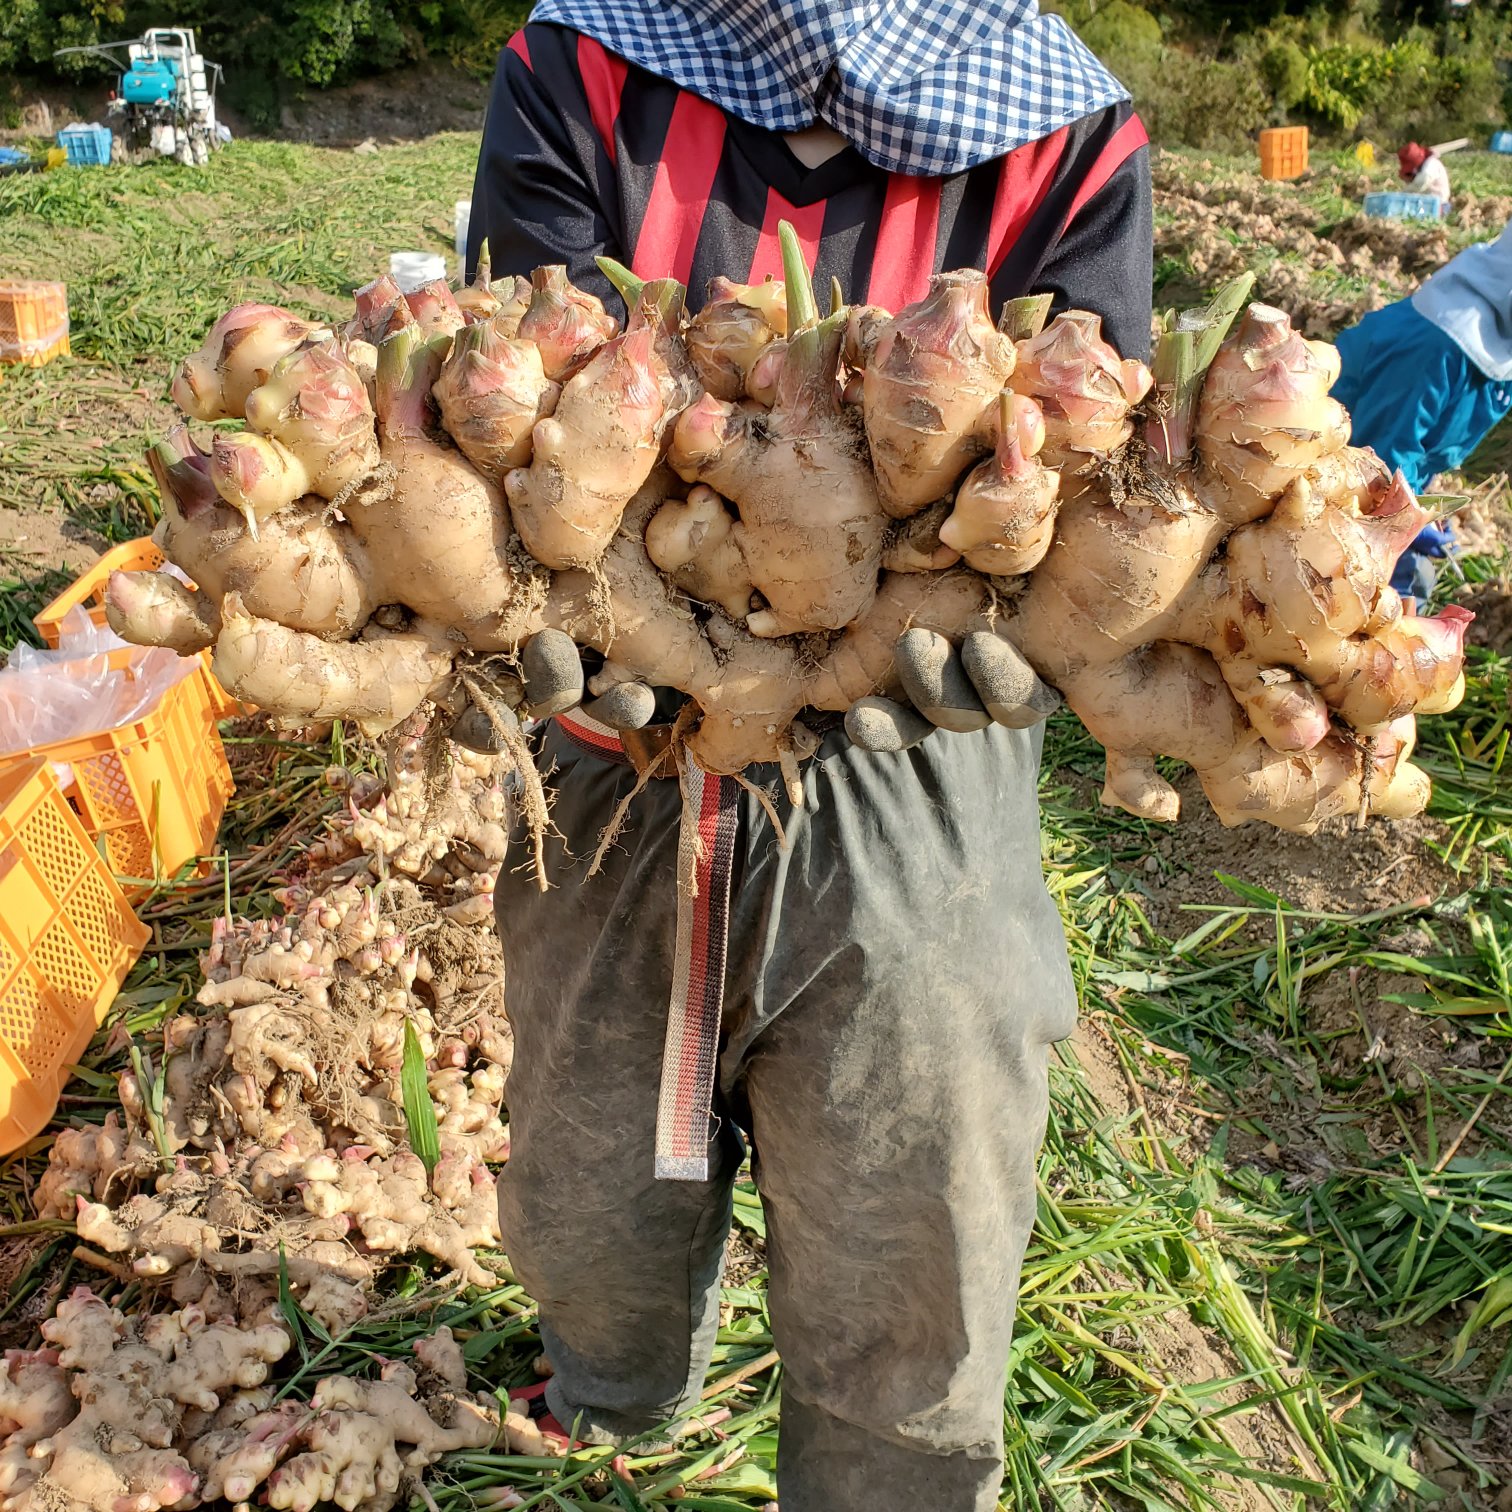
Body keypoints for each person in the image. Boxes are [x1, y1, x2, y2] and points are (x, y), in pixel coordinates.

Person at [465, 4, 1152, 1508]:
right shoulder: (582, 63)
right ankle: (613, 1389)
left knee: (920, 1195)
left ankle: (889, 1482)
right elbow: (519, 388)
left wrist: (1024, 617)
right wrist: (509, 604)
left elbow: (1095, 455)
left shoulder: (1070, 129)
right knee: (588, 1180)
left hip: (913, 745)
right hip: (617, 729)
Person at [1333, 219, 1512, 599]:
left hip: (1385, 474)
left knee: (1415, 581)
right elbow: (1383, 450)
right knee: (1399, 587)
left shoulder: (1501, 346)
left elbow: (1428, 445)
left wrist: (1419, 500)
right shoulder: (1438, 344)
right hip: (1336, 470)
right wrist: (1406, 517)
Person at [1399, 140, 1451, 205]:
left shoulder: (1431, 164)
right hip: (1426, 203)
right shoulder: (1421, 167)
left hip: (1439, 204)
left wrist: (1404, 193)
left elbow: (1422, 181)